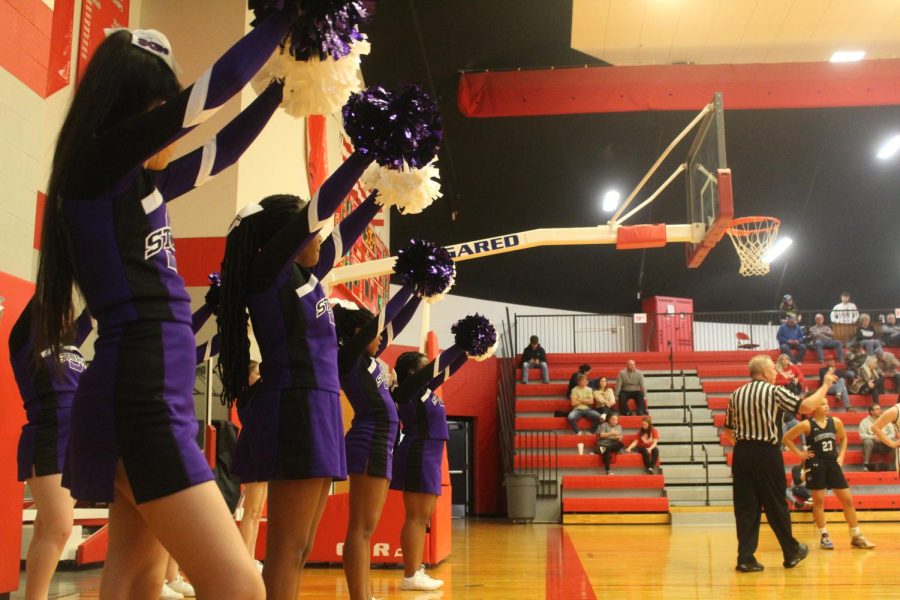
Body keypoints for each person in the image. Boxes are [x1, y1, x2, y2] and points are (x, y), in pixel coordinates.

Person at [32, 11, 304, 597]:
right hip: (142, 395)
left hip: (150, 390)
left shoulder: (141, 184)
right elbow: (214, 92)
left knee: (136, 582)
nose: (170, 128)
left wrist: (286, 84)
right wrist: (286, 18)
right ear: (128, 114)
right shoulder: (96, 169)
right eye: (159, 112)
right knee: (239, 588)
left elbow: (224, 147)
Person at [332, 286, 422, 600]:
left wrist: (421, 294)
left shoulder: (371, 361)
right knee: (361, 528)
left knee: (367, 528)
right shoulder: (349, 357)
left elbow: (393, 325)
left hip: (382, 444)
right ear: (358, 332)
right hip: (368, 441)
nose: (382, 338)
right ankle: (360, 596)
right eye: (375, 332)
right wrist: (410, 285)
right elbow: (381, 324)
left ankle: (365, 594)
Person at [390, 320, 492, 592]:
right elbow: (441, 364)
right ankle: (410, 574)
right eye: (425, 364)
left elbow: (448, 369)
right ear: (413, 371)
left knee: (422, 517)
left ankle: (415, 570)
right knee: (415, 516)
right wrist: (462, 341)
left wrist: (469, 351)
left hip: (431, 453)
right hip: (418, 451)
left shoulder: (425, 390)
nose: (431, 367)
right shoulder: (407, 391)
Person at [723, 355, 837, 572]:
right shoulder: (773, 391)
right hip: (767, 453)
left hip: (742, 454)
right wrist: (825, 386)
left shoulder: (736, 394)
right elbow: (805, 407)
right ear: (765, 373)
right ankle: (791, 551)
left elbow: (728, 428)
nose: (777, 374)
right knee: (776, 504)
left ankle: (745, 558)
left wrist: (742, 442)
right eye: (774, 371)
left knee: (746, 507)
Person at [10, 301, 91, 600]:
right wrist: (65, 260)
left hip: (73, 442)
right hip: (47, 437)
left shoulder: (71, 344)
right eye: (62, 308)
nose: (68, 314)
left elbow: (92, 311)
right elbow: (43, 295)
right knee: (59, 527)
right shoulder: (25, 346)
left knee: (48, 527)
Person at [782, 403, 875, 550]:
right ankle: (824, 536)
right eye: (823, 404)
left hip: (833, 464)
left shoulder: (836, 421)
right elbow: (786, 438)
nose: (826, 406)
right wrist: (800, 454)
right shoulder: (806, 425)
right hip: (815, 464)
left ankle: (856, 536)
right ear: (814, 408)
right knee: (819, 502)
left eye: (826, 403)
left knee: (848, 500)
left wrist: (842, 456)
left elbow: (843, 438)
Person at [235, 361, 266, 573]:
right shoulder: (248, 397)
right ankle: (245, 559)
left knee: (257, 510)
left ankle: (251, 556)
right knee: (251, 510)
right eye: (256, 373)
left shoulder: (257, 394)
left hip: (262, 449)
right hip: (253, 449)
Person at [859, 405, 896, 471]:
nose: (880, 411)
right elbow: (862, 435)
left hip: (885, 443)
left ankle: (895, 465)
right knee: (867, 441)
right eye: (877, 409)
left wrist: (883, 438)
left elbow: (892, 434)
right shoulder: (865, 421)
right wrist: (873, 437)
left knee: (895, 441)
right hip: (873, 445)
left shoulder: (886, 419)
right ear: (871, 412)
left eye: (880, 409)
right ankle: (865, 465)